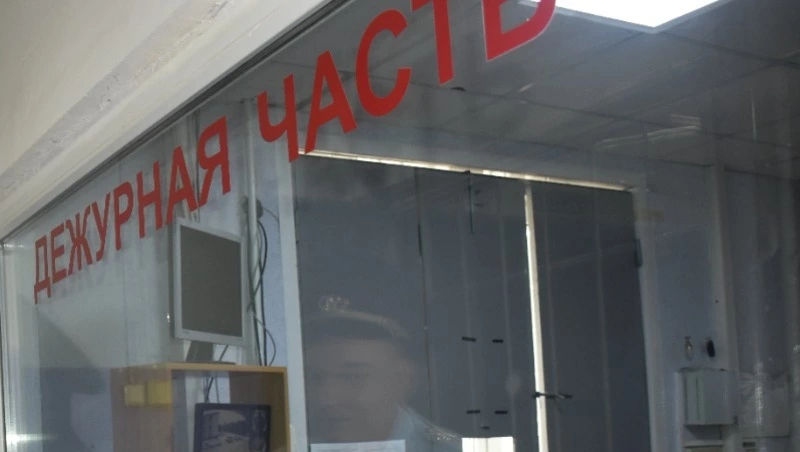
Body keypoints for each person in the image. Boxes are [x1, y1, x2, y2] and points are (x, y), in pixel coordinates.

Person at [304, 308, 461, 452]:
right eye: (313, 377)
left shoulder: (447, 448)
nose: (326, 399)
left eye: (352, 377)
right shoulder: (298, 441)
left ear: (403, 380)